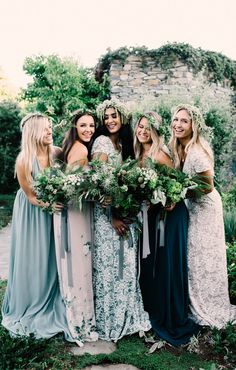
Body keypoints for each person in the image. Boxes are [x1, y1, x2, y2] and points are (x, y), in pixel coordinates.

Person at [1, 113, 72, 341]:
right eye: (45, 129)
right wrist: (50, 204)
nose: (50, 131)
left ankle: (55, 294)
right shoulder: (24, 160)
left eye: (50, 127)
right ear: (33, 133)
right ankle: (32, 299)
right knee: (33, 256)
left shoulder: (58, 153)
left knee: (52, 255)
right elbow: (31, 196)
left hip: (53, 211)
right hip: (32, 214)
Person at [134, 112, 199, 346]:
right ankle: (154, 307)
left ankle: (171, 315)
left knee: (167, 264)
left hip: (169, 214)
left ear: (155, 131)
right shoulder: (139, 153)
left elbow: (175, 186)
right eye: (140, 127)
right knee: (153, 264)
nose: (142, 131)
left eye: (147, 128)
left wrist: (162, 200)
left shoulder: (160, 154)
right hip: (152, 216)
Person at [169, 103, 236, 329]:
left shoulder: (197, 150)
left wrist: (179, 193)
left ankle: (209, 306)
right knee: (195, 258)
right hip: (194, 207)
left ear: (193, 125)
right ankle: (195, 302)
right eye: (176, 119)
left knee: (204, 258)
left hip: (205, 209)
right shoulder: (181, 147)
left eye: (184, 121)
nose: (178, 124)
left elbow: (206, 186)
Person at [91, 98, 151, 342]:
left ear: (123, 118)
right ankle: (109, 319)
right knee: (110, 267)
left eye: (114, 116)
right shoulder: (102, 142)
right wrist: (114, 215)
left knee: (125, 265)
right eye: (106, 117)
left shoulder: (126, 144)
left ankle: (126, 311)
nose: (110, 120)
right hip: (107, 216)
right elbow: (99, 181)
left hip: (126, 214)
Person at [54, 110, 98, 346]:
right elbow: (76, 186)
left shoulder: (71, 147)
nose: (89, 130)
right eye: (84, 125)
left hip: (74, 211)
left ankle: (77, 313)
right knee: (79, 263)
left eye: (91, 125)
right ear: (75, 127)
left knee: (75, 262)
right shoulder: (80, 149)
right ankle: (81, 321)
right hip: (77, 211)